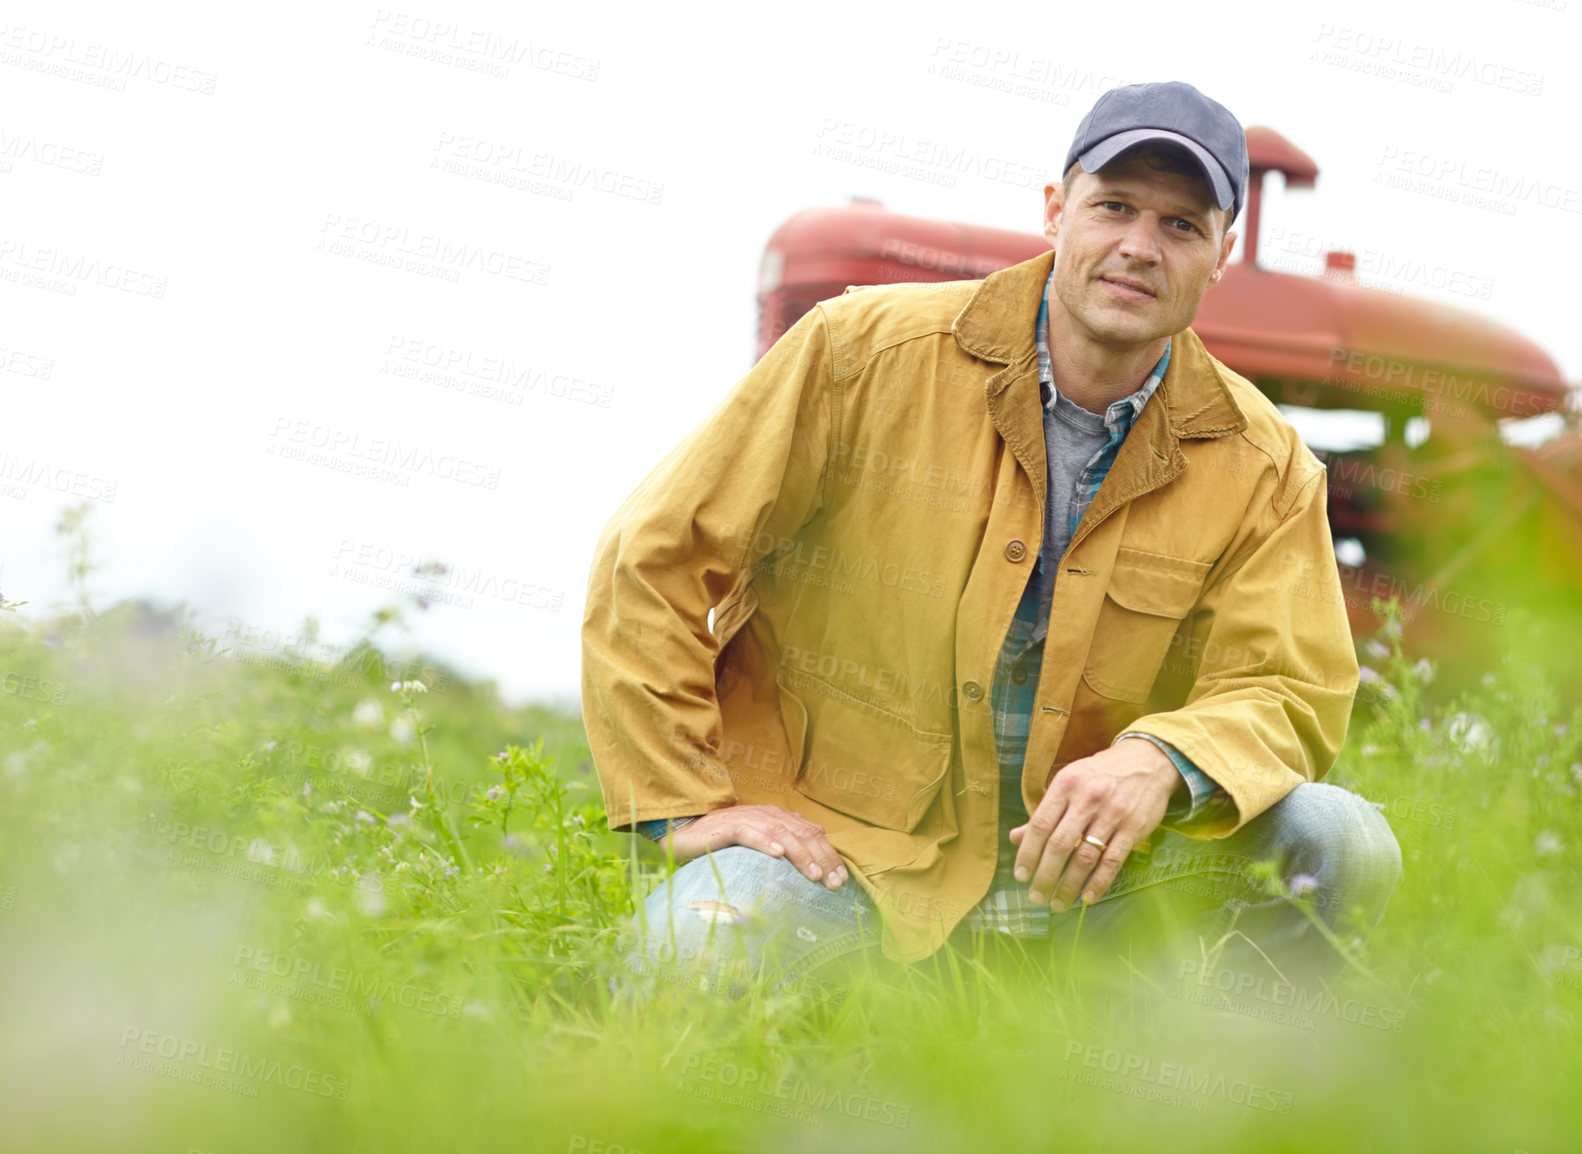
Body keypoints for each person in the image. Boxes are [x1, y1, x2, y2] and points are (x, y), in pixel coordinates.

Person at [581, 80, 1401, 1001]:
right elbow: (651, 558)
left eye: (1180, 225)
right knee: (689, 968)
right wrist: (685, 808)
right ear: (1057, 212)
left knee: (1342, 841)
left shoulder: (1265, 464)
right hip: (850, 869)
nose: (1139, 246)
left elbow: (1289, 684)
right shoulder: (860, 353)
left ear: (1222, 255)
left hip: (1097, 892)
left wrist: (1163, 758)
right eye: (1115, 207)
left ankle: (1185, 1093)